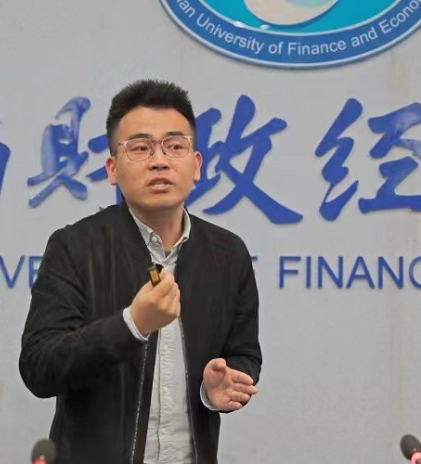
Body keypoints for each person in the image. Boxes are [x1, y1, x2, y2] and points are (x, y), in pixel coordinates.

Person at [19, 79, 262, 464]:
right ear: (112, 169)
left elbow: (245, 354)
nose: (160, 160)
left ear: (197, 165)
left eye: (175, 146)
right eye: (140, 147)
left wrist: (219, 386)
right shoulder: (74, 248)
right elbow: (39, 367)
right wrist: (132, 324)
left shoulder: (228, 254)